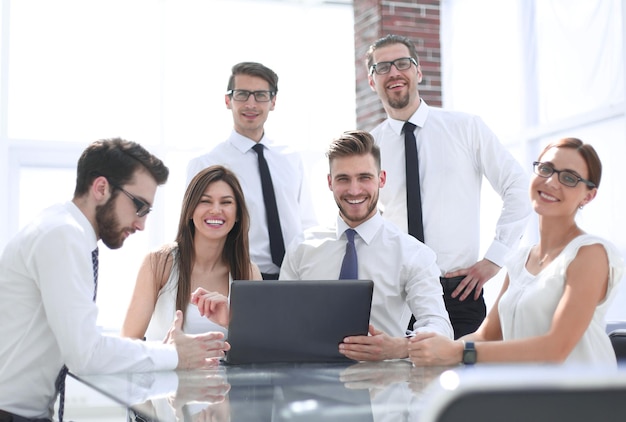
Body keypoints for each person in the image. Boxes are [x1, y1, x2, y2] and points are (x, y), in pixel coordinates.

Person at [0, 138, 230, 422]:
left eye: (147, 212)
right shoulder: (62, 236)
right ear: (100, 188)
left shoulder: (65, 231)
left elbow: (82, 345)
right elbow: (86, 355)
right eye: (138, 206)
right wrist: (173, 355)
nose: (141, 223)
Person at [366, 34, 531, 338]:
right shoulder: (370, 146)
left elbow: (519, 187)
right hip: (395, 295)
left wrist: (496, 258)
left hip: (458, 292)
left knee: (462, 382)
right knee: (394, 383)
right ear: (372, 80)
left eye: (403, 63)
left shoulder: (466, 128)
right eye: (383, 67)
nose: (394, 72)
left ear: (418, 71)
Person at [408, 138, 625, 366]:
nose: (551, 181)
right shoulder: (521, 259)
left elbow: (555, 348)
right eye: (546, 169)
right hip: (526, 396)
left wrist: (458, 353)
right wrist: (427, 348)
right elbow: (486, 336)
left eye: (569, 178)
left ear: (588, 196)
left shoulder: (589, 254)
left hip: (585, 398)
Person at [279, 130, 453, 362]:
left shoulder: (412, 254)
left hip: (385, 388)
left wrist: (402, 347)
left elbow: (439, 325)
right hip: (312, 387)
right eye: (343, 179)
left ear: (381, 179)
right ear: (330, 182)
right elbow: (282, 322)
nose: (354, 190)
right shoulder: (302, 248)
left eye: (364, 177)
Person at [186, 61, 317, 280]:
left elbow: (306, 222)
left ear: (273, 102)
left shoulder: (290, 158)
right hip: (237, 277)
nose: (251, 103)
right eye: (242, 94)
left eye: (260, 95)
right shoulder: (206, 163)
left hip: (295, 277)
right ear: (228, 101)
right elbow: (193, 230)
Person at [121, 165, 261, 342]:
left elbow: (259, 351)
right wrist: (170, 353)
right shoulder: (159, 262)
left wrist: (232, 323)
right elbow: (128, 342)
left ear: (238, 214)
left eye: (226, 202)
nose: (216, 210)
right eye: (205, 201)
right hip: (167, 368)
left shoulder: (248, 272)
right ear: (190, 210)